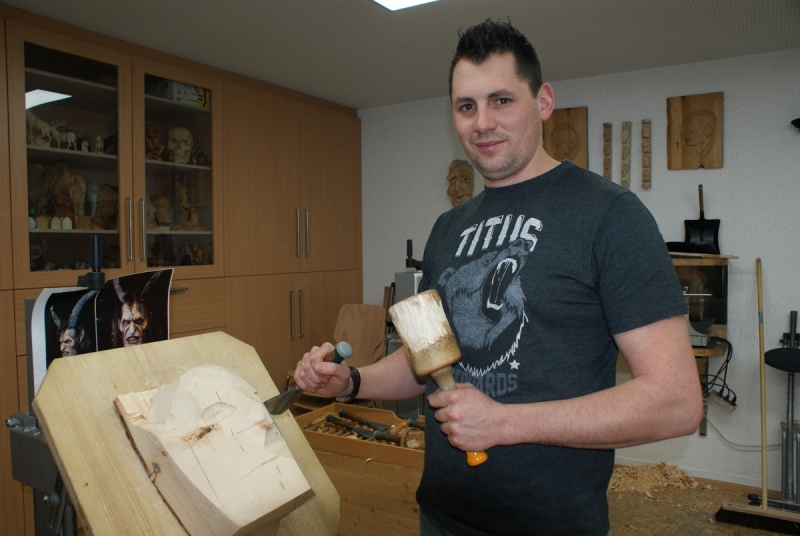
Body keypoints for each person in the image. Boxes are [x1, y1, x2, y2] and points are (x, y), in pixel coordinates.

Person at [293, 19, 703, 536]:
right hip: (442, 515)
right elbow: (429, 356)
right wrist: (353, 381)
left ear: (543, 101)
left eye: (501, 100)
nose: (482, 122)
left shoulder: (609, 215)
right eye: (466, 106)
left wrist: (505, 422)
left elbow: (675, 401)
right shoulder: (448, 228)